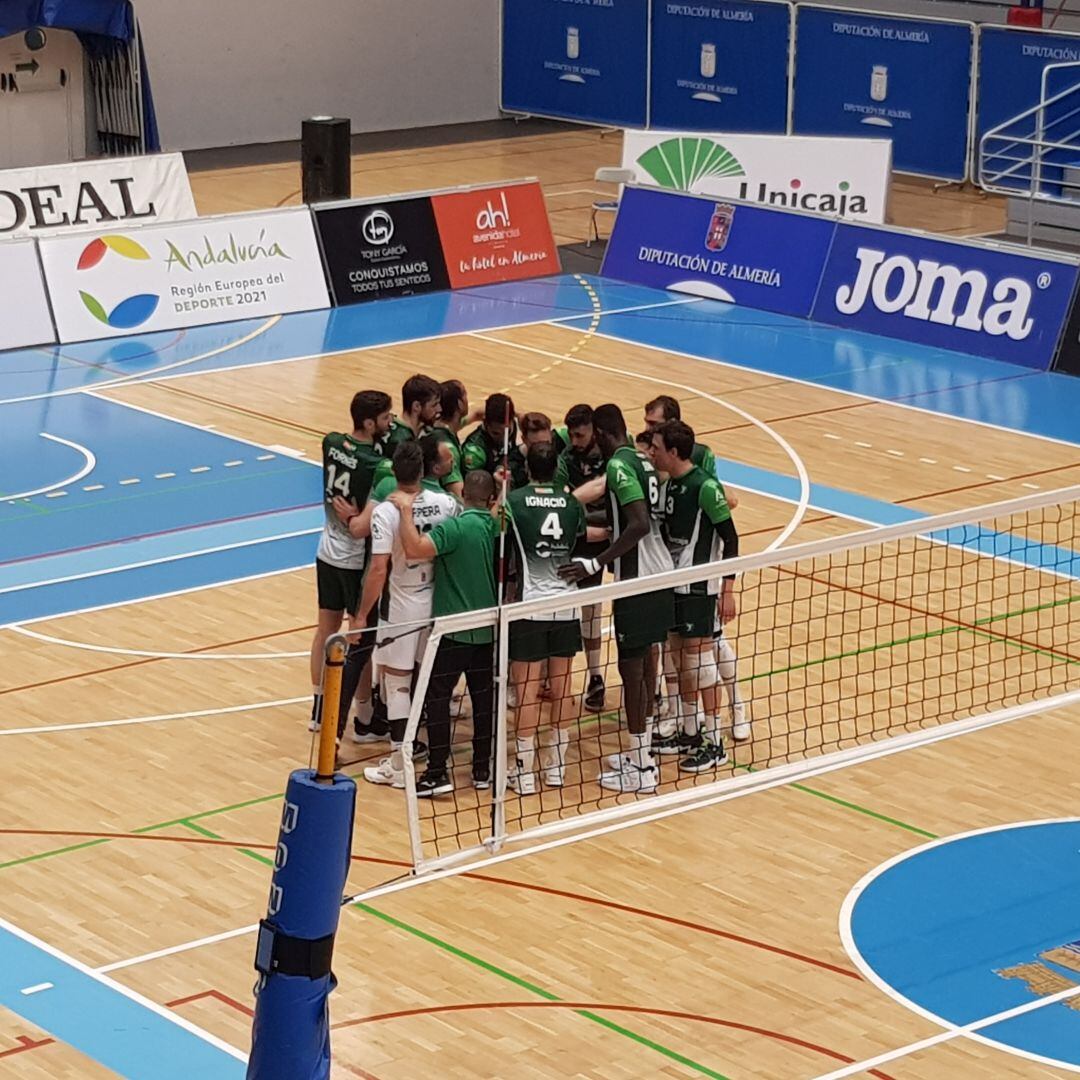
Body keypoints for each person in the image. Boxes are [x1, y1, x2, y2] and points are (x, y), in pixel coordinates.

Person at [560, 404, 674, 795]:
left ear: (603, 433)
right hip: (659, 574)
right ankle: (640, 753)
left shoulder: (621, 467)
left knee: (631, 672)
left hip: (637, 580)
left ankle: (641, 768)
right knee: (642, 668)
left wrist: (595, 562)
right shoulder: (643, 462)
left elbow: (639, 524)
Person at [340, 439, 460, 789]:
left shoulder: (386, 512)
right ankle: (424, 755)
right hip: (436, 600)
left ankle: (398, 761)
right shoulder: (446, 503)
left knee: (397, 683)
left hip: (402, 605)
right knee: (426, 681)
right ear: (423, 471)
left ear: (394, 473)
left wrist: (361, 616)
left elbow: (378, 569)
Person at [389, 469, 500, 795]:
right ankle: (482, 769)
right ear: (490, 499)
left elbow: (415, 549)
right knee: (484, 700)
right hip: (486, 630)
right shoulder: (491, 525)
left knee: (436, 697)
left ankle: (438, 771)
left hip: (453, 630)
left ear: (463, 492)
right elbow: (493, 515)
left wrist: (406, 512)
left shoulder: (455, 528)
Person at [651, 420, 741, 771]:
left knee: (700, 665)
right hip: (674, 584)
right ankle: (689, 732)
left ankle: (715, 743)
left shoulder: (705, 487)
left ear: (674, 452)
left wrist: (728, 590)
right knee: (679, 661)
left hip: (700, 588)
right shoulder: (671, 485)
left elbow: (731, 539)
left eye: (657, 446)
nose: (653, 451)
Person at [505, 442, 587, 794]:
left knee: (526, 692)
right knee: (562, 687)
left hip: (529, 605)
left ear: (528, 466)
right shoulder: (572, 503)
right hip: (566, 605)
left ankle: (523, 773)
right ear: (557, 468)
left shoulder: (514, 501)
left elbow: (502, 543)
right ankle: (556, 767)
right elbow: (579, 541)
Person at [309, 390, 392, 735]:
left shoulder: (329, 442)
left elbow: (344, 452)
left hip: (325, 552)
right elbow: (362, 527)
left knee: (324, 630)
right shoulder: (378, 466)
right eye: (386, 418)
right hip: (354, 563)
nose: (391, 424)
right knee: (360, 639)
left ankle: (318, 709)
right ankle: (364, 716)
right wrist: (359, 516)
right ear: (370, 422)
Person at [555, 404, 608, 711]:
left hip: (617, 533)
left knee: (597, 607)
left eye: (580, 434)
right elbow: (564, 505)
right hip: (583, 538)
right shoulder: (566, 459)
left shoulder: (611, 452)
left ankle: (598, 676)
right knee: (579, 608)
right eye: (572, 434)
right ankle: (589, 678)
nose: (574, 440)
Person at [373, 374, 442, 489]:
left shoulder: (391, 425)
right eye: (434, 405)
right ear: (416, 406)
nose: (439, 409)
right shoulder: (404, 441)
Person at [430, 379, 470, 498]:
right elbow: (457, 495)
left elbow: (476, 414)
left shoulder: (437, 426)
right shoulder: (448, 449)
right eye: (465, 395)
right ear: (460, 404)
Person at [462, 393, 516, 478]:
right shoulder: (475, 450)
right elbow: (473, 484)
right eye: (496, 433)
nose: (502, 437)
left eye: (506, 431)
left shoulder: (512, 425)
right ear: (485, 423)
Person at [508, 411, 560, 489]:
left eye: (546, 443)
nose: (542, 448)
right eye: (535, 445)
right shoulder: (512, 463)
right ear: (524, 439)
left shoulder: (560, 449)